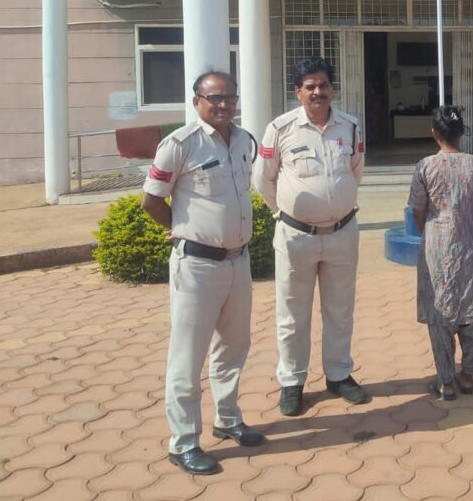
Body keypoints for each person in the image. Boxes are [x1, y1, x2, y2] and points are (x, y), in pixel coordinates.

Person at [141, 71, 264, 475]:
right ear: (197, 102)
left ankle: (227, 419)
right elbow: (151, 201)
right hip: (196, 266)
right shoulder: (180, 144)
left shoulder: (244, 141)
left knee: (234, 345)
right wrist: (182, 229)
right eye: (215, 98)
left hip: (238, 261)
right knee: (188, 355)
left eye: (230, 97)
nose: (224, 104)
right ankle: (184, 442)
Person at [252, 56, 367, 417]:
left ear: (333, 88)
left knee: (340, 310)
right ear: (297, 91)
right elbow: (263, 179)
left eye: (323, 85)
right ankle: (292, 382)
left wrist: (335, 204)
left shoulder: (350, 126)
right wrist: (285, 213)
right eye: (310, 86)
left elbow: (355, 172)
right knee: (292, 313)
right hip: (295, 237)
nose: (318, 92)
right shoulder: (280, 129)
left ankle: (339, 374)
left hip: (342, 234)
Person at [408, 105, 473, 401]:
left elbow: (417, 210)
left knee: (440, 311)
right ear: (462, 133)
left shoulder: (425, 166)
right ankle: (468, 376)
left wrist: (431, 229)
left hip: (436, 244)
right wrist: (472, 227)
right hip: (471, 243)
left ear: (435, 133)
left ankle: (445, 381)